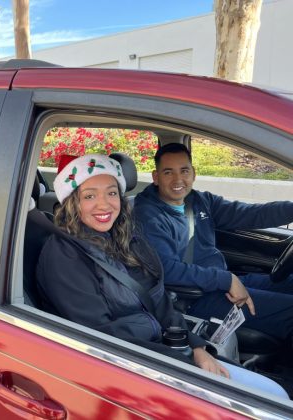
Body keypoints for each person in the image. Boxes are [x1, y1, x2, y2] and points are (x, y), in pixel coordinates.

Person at [36, 153, 288, 398]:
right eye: (90, 196)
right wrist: (182, 361)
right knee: (272, 395)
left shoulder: (124, 236)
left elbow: (157, 298)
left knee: (272, 392)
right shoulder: (64, 256)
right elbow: (103, 340)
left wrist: (195, 345)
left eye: (111, 193)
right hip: (137, 365)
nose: (104, 204)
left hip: (164, 345)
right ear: (72, 201)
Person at [133, 143, 293, 343]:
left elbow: (251, 214)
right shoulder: (147, 216)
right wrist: (226, 280)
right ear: (156, 177)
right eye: (168, 172)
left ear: (193, 173)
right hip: (193, 299)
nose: (178, 179)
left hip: (217, 284)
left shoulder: (199, 201)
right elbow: (166, 269)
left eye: (184, 171)